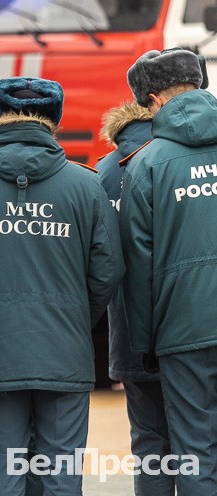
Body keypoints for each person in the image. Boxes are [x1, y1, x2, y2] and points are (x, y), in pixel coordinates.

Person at [0, 76, 122, 496]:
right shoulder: (86, 184)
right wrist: (75, 316)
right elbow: (107, 270)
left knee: (4, 475)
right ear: (55, 120)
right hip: (64, 351)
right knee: (61, 477)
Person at [120, 48, 217, 495]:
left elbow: (138, 267)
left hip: (184, 329)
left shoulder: (146, 164)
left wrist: (145, 343)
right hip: (187, 328)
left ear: (154, 101)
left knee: (196, 450)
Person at [96, 99, 173, 496]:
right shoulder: (174, 160)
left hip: (126, 328)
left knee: (148, 443)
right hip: (183, 324)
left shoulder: (104, 171)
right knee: (199, 438)